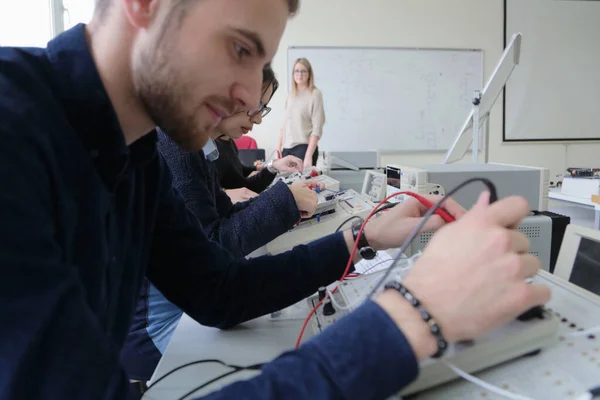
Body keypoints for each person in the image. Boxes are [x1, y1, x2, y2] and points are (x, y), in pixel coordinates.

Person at [0, 1, 550, 400]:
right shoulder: (13, 130)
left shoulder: (133, 152)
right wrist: (413, 318)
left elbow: (218, 290)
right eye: (239, 48)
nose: (247, 94)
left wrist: (358, 238)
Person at [121, 68, 324, 382]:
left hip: (181, 308)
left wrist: (286, 201)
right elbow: (212, 241)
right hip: (156, 332)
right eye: (256, 105)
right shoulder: (175, 145)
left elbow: (223, 216)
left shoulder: (196, 146)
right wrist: (285, 201)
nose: (258, 119)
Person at [214, 67, 301, 193]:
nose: (259, 120)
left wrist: (272, 166)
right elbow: (241, 187)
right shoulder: (198, 151)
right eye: (256, 105)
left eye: (262, 108)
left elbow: (238, 174)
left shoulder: (226, 141)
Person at [277, 57, 325, 169]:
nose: (300, 74)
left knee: (301, 185)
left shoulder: (315, 94)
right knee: (286, 185)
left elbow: (317, 129)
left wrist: (308, 156)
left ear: (309, 74)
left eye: (304, 71)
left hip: (303, 149)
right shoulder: (291, 95)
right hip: (287, 149)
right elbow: (284, 125)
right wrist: (278, 147)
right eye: (297, 71)